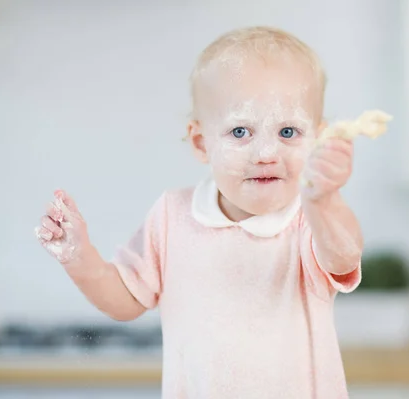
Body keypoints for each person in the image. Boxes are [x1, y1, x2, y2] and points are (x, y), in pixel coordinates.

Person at [35, 26, 365, 399]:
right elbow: (124, 301)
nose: (266, 153)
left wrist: (325, 199)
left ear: (317, 140)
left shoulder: (311, 219)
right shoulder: (172, 216)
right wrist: (80, 258)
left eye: (288, 132)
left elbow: (343, 255)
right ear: (200, 142)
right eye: (241, 132)